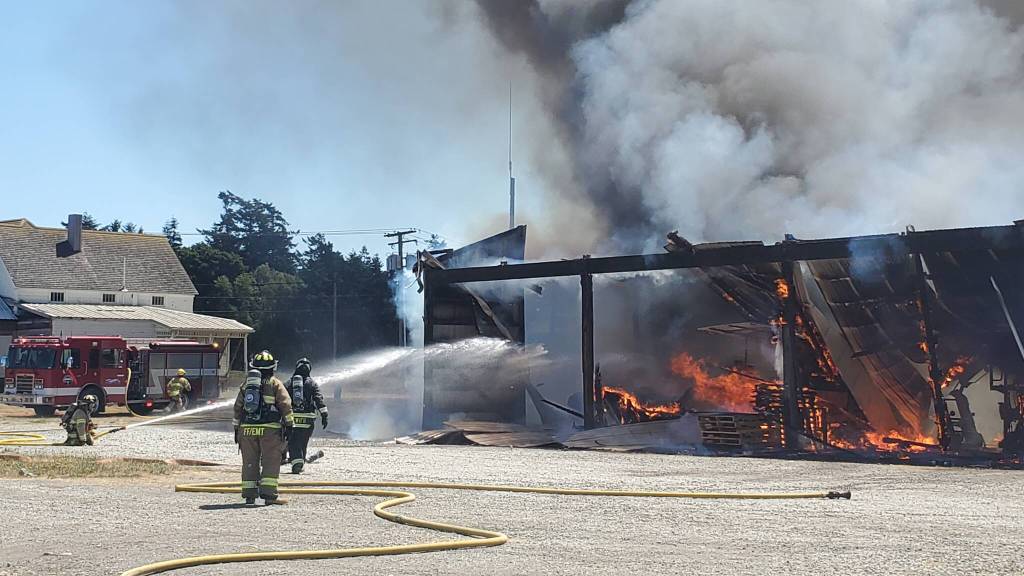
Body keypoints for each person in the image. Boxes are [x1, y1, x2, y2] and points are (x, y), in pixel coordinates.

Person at [233, 351, 294, 506]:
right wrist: (289, 425)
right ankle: (269, 496)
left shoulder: (246, 385)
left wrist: (236, 429)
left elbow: (238, 407)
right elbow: (285, 405)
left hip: (247, 430)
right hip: (269, 430)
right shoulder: (275, 384)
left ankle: (249, 495)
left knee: (249, 461)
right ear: (272, 367)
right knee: (270, 461)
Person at [284, 358, 328, 474]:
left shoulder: (288, 383)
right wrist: (324, 415)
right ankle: (300, 461)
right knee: (303, 442)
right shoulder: (312, 384)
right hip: (308, 421)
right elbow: (319, 400)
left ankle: (297, 464)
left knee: (293, 442)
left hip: (292, 419)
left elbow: (281, 400)